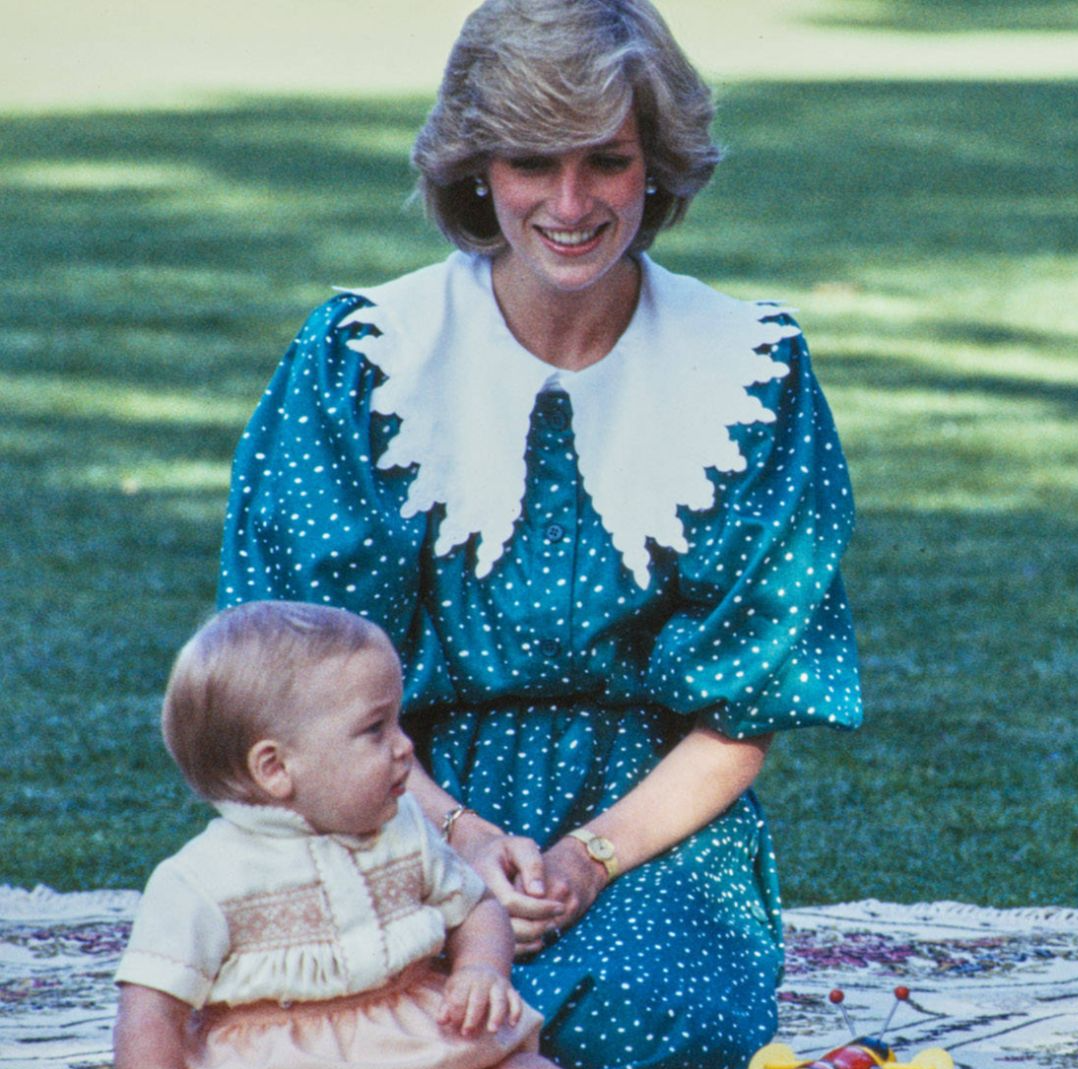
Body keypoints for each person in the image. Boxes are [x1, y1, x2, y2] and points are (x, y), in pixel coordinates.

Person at [217, 1, 863, 1066]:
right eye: (530, 162)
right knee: (318, 1006)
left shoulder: (751, 374)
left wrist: (589, 859)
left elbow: (749, 707)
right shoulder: (363, 359)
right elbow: (296, 674)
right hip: (382, 795)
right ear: (478, 171)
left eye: (604, 162)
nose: (569, 204)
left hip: (644, 817)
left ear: (655, 165)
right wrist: (458, 838)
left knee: (654, 1014)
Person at [112, 601, 552, 1069]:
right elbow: (151, 1013)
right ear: (276, 768)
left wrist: (481, 968)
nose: (406, 746)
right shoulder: (202, 879)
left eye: (398, 722)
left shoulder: (403, 827)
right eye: (374, 728)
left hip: (425, 1038)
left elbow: (477, 907)